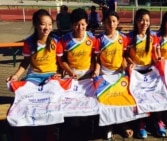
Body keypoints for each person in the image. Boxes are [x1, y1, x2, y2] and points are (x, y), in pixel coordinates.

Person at [6, 9, 63, 141]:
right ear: (36, 25)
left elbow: (60, 63)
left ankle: (51, 132)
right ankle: (25, 132)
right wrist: (16, 76)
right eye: (43, 24)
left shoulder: (56, 41)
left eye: (49, 24)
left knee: (52, 101)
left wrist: (59, 74)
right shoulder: (29, 42)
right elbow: (25, 62)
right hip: (34, 77)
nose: (47, 28)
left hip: (51, 77)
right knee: (24, 99)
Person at [57, 8, 98, 141]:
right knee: (71, 106)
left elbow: (96, 57)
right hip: (71, 77)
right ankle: (69, 133)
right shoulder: (64, 40)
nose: (80, 27)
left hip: (87, 77)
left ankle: (88, 133)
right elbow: (61, 60)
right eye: (76, 24)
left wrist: (95, 69)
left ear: (87, 24)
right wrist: (69, 72)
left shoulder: (92, 38)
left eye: (83, 24)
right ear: (71, 25)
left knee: (88, 106)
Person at [94, 11, 133, 140]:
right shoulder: (99, 39)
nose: (111, 24)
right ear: (104, 23)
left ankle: (123, 124)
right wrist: (97, 70)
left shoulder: (123, 38)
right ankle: (108, 126)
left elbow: (123, 56)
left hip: (118, 74)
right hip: (105, 74)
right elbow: (97, 59)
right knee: (107, 102)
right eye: (108, 21)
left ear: (118, 23)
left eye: (114, 21)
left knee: (121, 100)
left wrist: (126, 67)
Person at [125, 8, 159, 139]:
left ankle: (156, 121)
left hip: (149, 72)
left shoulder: (153, 37)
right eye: (141, 20)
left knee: (151, 96)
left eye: (147, 20)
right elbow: (125, 54)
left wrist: (159, 62)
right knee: (138, 98)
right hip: (136, 73)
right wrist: (130, 62)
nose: (144, 23)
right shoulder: (129, 37)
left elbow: (154, 55)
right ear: (136, 21)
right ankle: (140, 124)